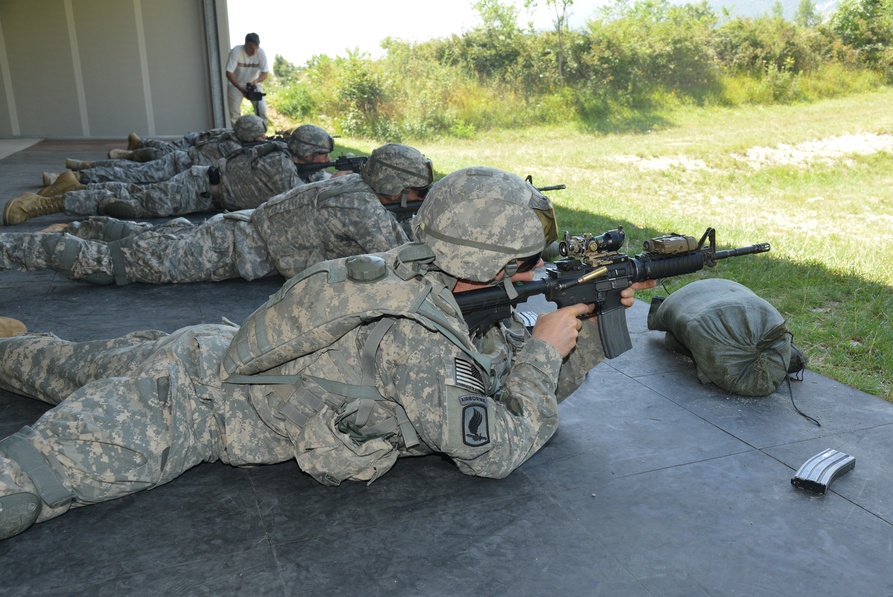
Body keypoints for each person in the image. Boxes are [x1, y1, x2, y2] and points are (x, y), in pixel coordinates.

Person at [0, 166, 657, 540]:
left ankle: (12, 347)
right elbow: (498, 447)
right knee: (22, 483)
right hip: (187, 406)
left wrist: (588, 325)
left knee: (58, 363)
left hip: (204, 348)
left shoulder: (423, 276)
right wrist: (545, 351)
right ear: (494, 266)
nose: (545, 266)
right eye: (532, 260)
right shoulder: (418, 334)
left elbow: (503, 380)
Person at [0, 143, 432, 285]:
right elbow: (404, 263)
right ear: (394, 184)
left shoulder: (343, 185)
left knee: (143, 237)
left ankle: (77, 222)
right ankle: (23, 248)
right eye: (413, 190)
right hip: (230, 250)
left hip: (231, 229)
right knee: (116, 264)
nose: (413, 197)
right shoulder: (361, 206)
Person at [2, 124, 333, 225]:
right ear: (304, 152)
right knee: (132, 204)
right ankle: (42, 204)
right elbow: (299, 195)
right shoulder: (280, 164)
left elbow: (316, 180)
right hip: (197, 187)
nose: (326, 160)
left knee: (134, 188)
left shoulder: (293, 162)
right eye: (322, 155)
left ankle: (71, 185)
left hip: (205, 193)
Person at [39, 115, 267, 189]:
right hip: (176, 166)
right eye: (259, 135)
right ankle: (74, 176)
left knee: (130, 170)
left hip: (179, 162)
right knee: (128, 174)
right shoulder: (236, 147)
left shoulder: (229, 135)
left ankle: (82, 167)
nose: (263, 139)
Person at [225, 32, 269, 126]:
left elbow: (265, 73)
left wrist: (257, 81)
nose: (254, 52)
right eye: (251, 48)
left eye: (256, 49)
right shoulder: (236, 51)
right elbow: (229, 72)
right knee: (234, 113)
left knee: (262, 109)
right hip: (236, 84)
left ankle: (261, 133)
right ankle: (238, 135)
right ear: (245, 44)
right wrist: (240, 88)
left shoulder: (261, 53)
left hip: (253, 83)